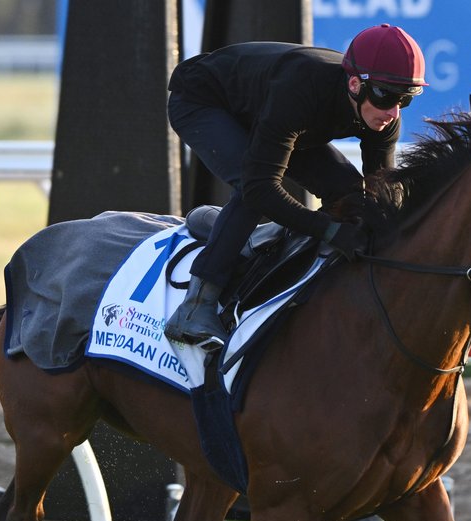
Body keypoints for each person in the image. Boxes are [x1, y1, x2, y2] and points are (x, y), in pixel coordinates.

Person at [164, 23, 427, 350]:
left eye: (406, 98)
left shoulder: (385, 114)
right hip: (204, 102)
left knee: (349, 191)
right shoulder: (302, 88)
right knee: (251, 192)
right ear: (356, 84)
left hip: (270, 112)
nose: (393, 111)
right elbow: (262, 189)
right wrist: (329, 230)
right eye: (386, 95)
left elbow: (382, 195)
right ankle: (195, 307)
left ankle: (302, 272)